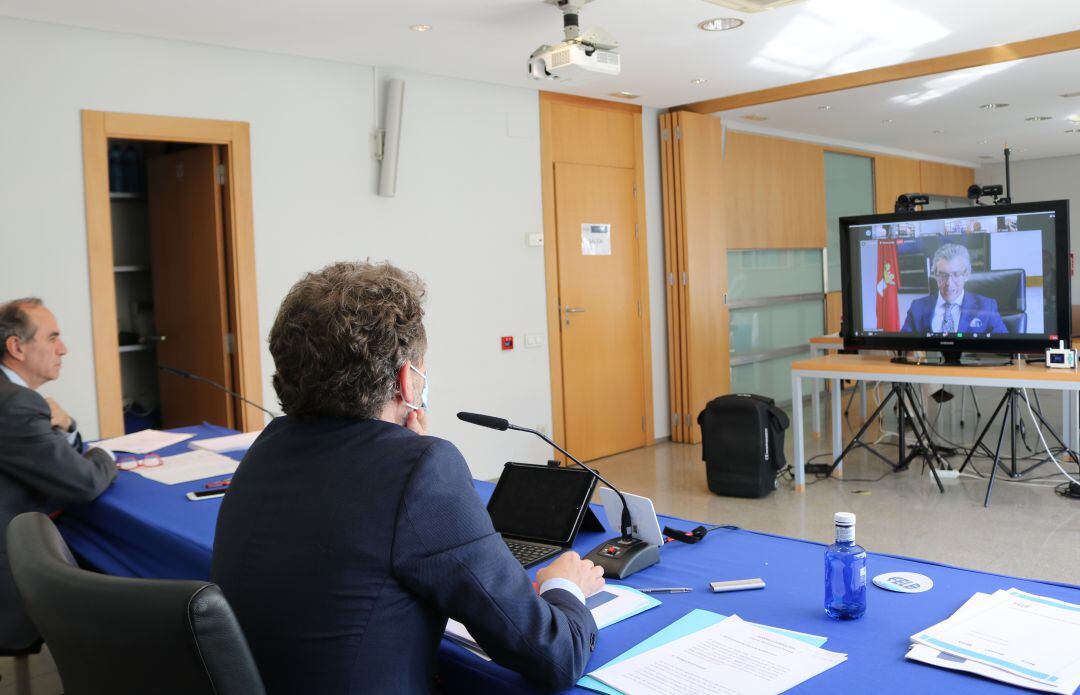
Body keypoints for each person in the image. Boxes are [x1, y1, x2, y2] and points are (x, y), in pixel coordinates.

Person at [212, 262, 604, 694]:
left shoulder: (267, 446)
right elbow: (554, 655)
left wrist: (404, 452)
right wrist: (566, 587)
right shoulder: (421, 468)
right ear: (407, 380)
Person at [0, 297, 117, 650]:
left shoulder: (15, 399)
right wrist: (106, 452)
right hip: (9, 568)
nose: (63, 349)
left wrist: (66, 427)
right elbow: (84, 482)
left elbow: (44, 453)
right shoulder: (16, 404)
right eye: (52, 338)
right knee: (110, 594)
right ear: (16, 346)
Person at [900, 244, 1009, 335]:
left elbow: (1005, 347)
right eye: (943, 275)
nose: (949, 283)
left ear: (966, 275)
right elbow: (903, 347)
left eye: (956, 274)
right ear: (935, 275)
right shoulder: (917, 307)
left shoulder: (986, 307)